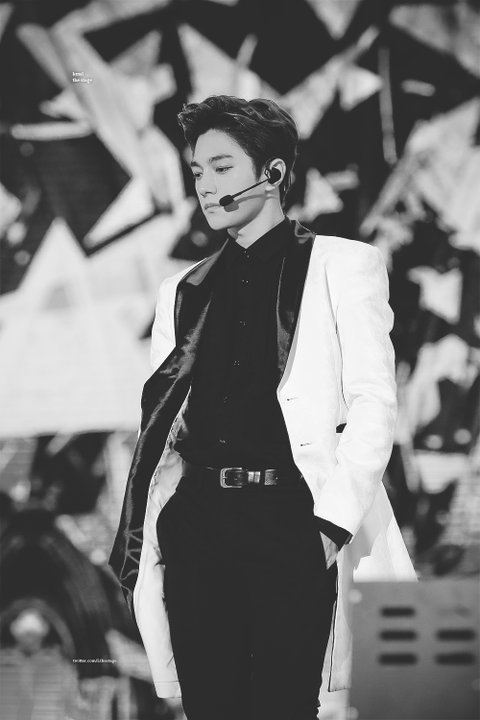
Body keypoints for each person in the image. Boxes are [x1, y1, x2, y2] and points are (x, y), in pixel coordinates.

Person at [108, 95, 417, 720]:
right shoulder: (182, 290)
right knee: (211, 707)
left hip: (292, 519)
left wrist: (329, 528)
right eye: (197, 171)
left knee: (283, 706)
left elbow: (374, 403)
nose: (204, 185)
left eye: (221, 167)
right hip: (198, 524)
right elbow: (163, 424)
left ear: (272, 173)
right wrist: (164, 526)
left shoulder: (342, 265)